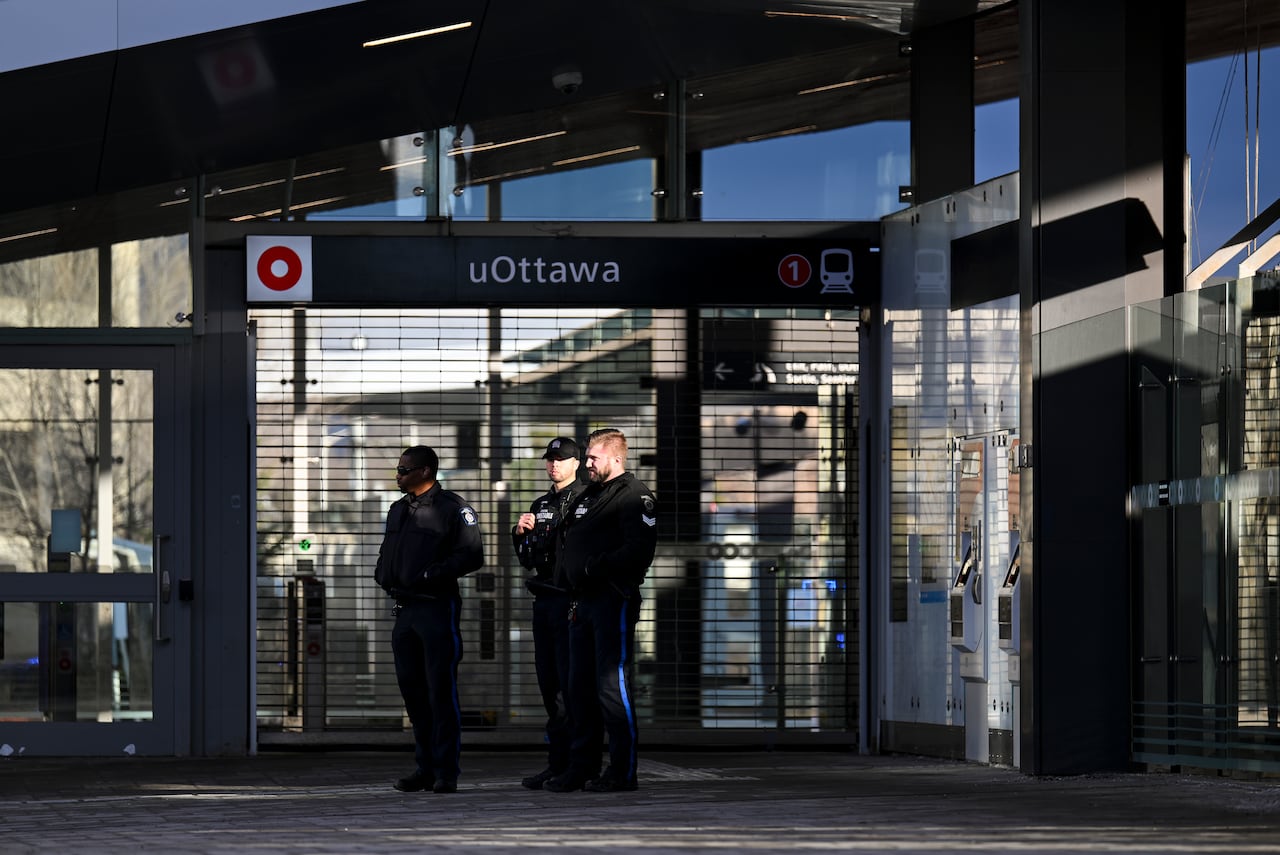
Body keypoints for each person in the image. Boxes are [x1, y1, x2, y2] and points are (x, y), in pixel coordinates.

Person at [544, 428, 656, 793]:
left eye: (593, 457)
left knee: (611, 687)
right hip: (579, 603)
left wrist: (593, 567)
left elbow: (638, 551)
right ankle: (582, 766)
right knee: (578, 688)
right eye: (587, 457)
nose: (587, 463)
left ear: (616, 458)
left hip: (611, 600)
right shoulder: (589, 495)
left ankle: (622, 771)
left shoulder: (634, 497)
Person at [374, 445, 484, 794]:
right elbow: (387, 552)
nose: (398, 473)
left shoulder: (452, 508)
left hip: (437, 608)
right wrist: (384, 574)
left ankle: (445, 772)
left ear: (425, 471)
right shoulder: (397, 509)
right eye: (398, 468)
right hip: (405, 611)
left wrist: (430, 575)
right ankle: (424, 767)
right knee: (414, 693)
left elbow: (471, 555)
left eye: (404, 469)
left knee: (440, 692)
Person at [511, 436, 583, 790]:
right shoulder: (540, 504)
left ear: (577, 463)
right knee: (550, 686)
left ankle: (578, 763)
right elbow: (528, 560)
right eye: (550, 458)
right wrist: (519, 533)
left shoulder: (586, 500)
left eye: (561, 458)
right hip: (545, 602)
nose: (553, 464)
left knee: (573, 687)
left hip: (571, 601)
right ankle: (557, 763)